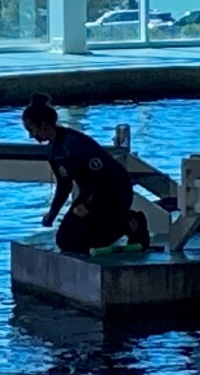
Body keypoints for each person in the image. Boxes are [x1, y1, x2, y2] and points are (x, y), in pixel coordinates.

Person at [22, 93, 150, 255]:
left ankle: (132, 222)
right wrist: (52, 213)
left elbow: (102, 177)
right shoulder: (54, 151)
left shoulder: (74, 144)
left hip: (113, 190)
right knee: (65, 240)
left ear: (44, 125)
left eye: (32, 130)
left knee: (88, 241)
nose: (31, 136)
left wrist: (88, 206)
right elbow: (64, 185)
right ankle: (114, 223)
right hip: (90, 192)